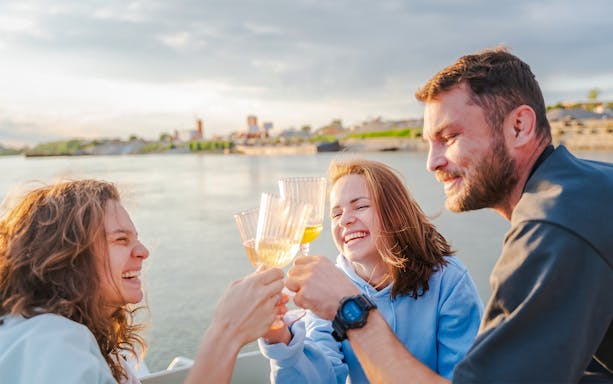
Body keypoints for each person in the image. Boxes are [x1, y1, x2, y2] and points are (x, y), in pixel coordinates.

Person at [284, 47, 613, 383]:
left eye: (449, 137)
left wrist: (348, 309)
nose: (432, 162)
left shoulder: (553, 226)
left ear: (519, 126)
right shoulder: (589, 188)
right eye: (430, 143)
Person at [0, 179, 285, 383]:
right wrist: (226, 332)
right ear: (66, 256)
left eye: (136, 238)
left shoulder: (44, 334)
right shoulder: (49, 341)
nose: (143, 252)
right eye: (121, 240)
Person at [259, 158, 483, 382]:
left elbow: (463, 376)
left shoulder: (449, 281)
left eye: (360, 206)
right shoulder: (328, 288)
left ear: (395, 212)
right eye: (336, 214)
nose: (345, 220)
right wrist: (280, 339)